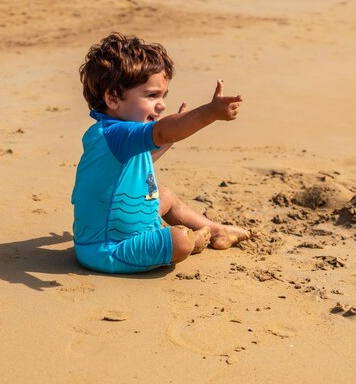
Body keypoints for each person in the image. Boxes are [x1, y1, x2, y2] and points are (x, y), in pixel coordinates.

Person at [72, 32, 255, 274]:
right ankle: (196, 241)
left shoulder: (111, 134)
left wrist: (164, 143)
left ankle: (217, 230)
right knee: (179, 241)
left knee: (165, 195)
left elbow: (137, 162)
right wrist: (210, 112)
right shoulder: (116, 133)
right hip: (110, 249)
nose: (162, 105)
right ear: (113, 98)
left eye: (163, 96)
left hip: (126, 231)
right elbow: (165, 131)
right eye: (151, 95)